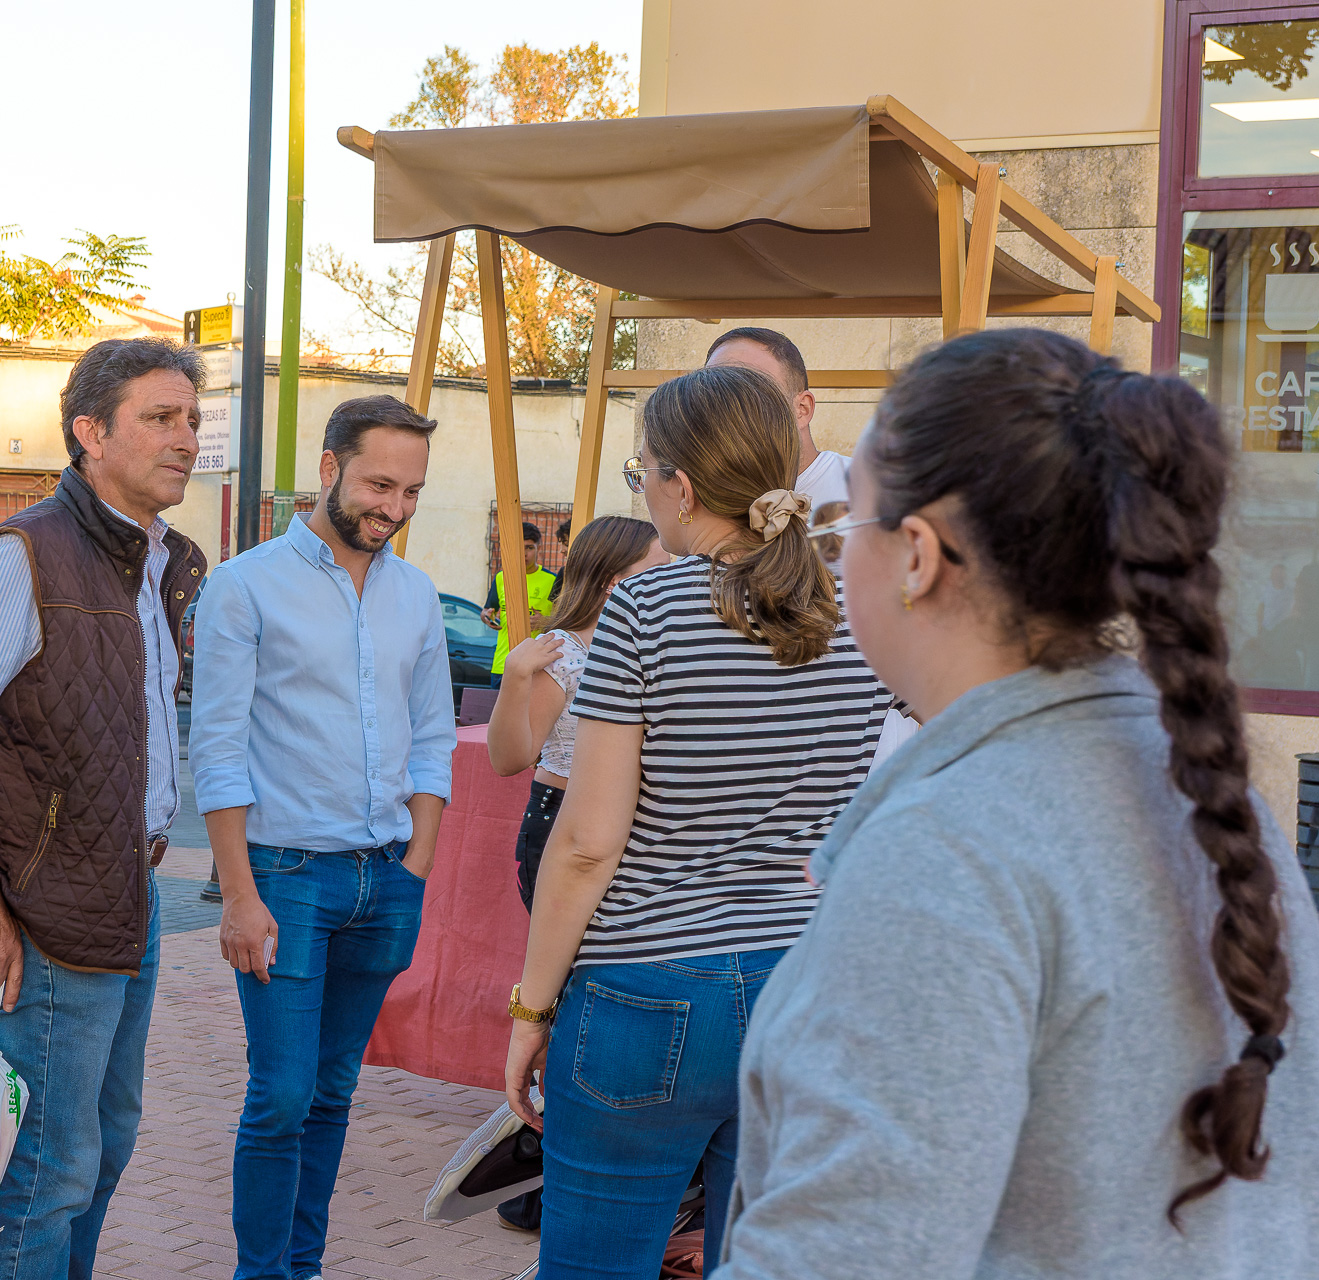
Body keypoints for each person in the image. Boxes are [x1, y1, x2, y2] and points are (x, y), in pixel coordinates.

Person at [720, 329, 1319, 1278]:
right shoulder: (1217, 803)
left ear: (916, 555)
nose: (836, 565)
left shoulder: (946, 855)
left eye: (846, 532)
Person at [500, 365, 891, 1278]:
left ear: (678, 486)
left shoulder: (646, 607)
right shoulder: (855, 608)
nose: (645, 492)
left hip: (648, 981)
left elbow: (589, 842)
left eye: (642, 475)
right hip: (801, 978)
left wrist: (530, 1007)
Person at [0, 337, 207, 1280]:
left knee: (104, 1147)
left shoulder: (151, 561)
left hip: (126, 894)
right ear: (89, 433)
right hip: (53, 910)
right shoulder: (31, 554)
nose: (186, 438)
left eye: (191, 419)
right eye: (160, 418)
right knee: (48, 1170)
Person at [190, 394, 457, 1280]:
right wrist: (238, 895)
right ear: (329, 467)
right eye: (381, 483)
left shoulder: (416, 593)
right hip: (285, 876)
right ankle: (263, 1274)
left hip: (386, 880)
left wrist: (417, 864)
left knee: (334, 1093)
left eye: (413, 491)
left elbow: (430, 737)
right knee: (282, 1097)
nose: (395, 507)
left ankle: (300, 1268)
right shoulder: (245, 584)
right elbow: (218, 751)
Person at [484, 512, 669, 1235]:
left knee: (588, 993)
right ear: (618, 578)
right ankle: (544, 1165)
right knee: (567, 995)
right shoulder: (569, 650)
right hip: (562, 824)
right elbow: (510, 757)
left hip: (617, 831)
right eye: (654, 570)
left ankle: (565, 1160)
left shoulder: (658, 642)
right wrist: (516, 677)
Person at [705, 326, 848, 506]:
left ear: (802, 409)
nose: (733, 405)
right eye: (714, 391)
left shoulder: (872, 492)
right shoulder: (692, 496)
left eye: (753, 390)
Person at [483, 521, 559, 686]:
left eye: (529, 548)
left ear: (538, 548)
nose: (524, 553)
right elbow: (489, 610)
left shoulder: (552, 580)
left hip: (536, 665)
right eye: (520, 547)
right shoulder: (501, 578)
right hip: (502, 664)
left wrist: (544, 622)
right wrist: (487, 617)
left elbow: (565, 621)